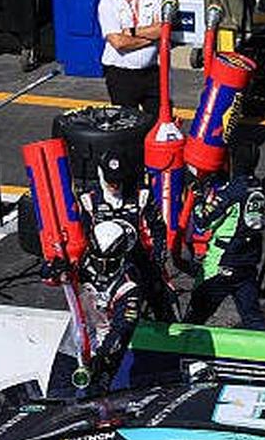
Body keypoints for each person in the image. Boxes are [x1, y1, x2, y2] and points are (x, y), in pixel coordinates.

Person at [46, 220, 144, 398]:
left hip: (105, 345)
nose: (103, 267)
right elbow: (49, 275)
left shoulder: (130, 284)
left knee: (97, 398)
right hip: (72, 340)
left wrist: (103, 357)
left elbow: (123, 328)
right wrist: (53, 270)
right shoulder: (78, 261)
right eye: (98, 261)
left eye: (110, 262)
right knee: (57, 393)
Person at [79, 149, 175, 321]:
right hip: (104, 268)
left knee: (161, 299)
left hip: (137, 260)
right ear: (101, 173)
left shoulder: (141, 194)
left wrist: (159, 258)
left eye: (118, 181)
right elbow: (82, 236)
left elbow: (158, 227)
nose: (114, 185)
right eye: (110, 181)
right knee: (96, 313)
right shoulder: (88, 199)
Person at [182, 174, 265, 330]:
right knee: (253, 317)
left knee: (197, 313)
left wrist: (198, 197)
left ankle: (179, 348)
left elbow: (202, 221)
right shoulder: (259, 186)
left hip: (224, 261)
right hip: (248, 261)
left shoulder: (232, 192)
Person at [98, 0, 164, 117]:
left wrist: (132, 32)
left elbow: (163, 29)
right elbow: (119, 43)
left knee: (159, 120)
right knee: (127, 123)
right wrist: (152, 39)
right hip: (121, 75)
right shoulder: (107, 3)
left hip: (152, 73)